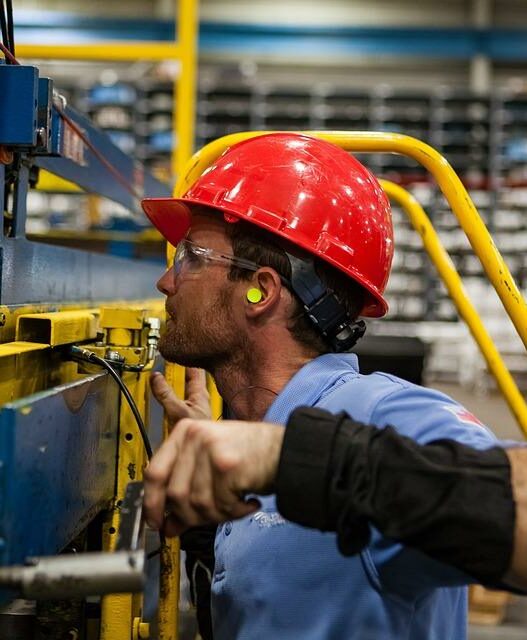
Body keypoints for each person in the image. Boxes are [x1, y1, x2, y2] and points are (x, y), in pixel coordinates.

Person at [141, 132, 500, 640]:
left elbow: (502, 498)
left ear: (260, 291)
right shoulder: (243, 438)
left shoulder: (382, 413)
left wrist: (291, 457)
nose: (166, 281)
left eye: (192, 257)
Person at [143, 404, 527, 594]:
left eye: (192, 271)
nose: (167, 283)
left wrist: (299, 454)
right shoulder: (248, 417)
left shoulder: (396, 408)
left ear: (261, 290)